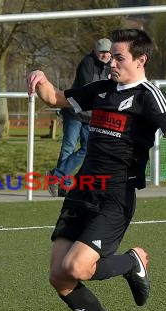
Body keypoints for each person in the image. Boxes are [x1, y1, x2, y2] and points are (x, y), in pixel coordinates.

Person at [26, 29, 166, 311]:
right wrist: (40, 79)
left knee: (77, 268)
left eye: (119, 57)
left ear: (140, 59)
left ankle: (132, 261)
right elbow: (55, 98)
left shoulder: (149, 95)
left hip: (114, 197)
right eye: (111, 57)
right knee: (59, 277)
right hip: (82, 191)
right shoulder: (102, 88)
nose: (111, 63)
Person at [47, 38, 112, 197]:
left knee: (88, 148)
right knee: (68, 148)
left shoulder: (111, 66)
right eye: (102, 52)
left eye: (107, 52)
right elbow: (89, 88)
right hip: (74, 112)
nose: (105, 55)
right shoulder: (87, 63)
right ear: (95, 51)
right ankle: (64, 185)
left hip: (91, 115)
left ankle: (57, 176)